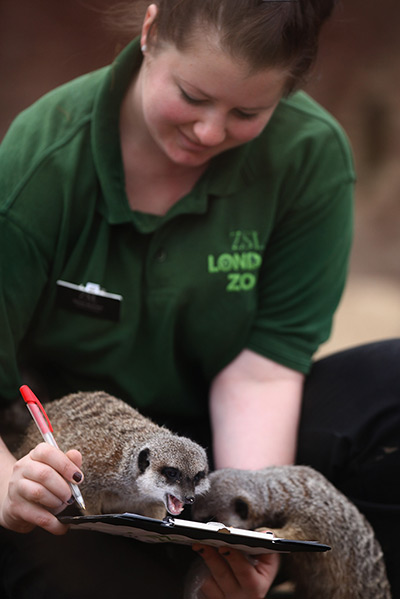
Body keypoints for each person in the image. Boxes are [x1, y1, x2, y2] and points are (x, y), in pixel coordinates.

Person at [1, 0, 399, 597]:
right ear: (151, 30)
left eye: (247, 111)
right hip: (63, 463)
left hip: (205, 447)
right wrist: (12, 487)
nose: (210, 132)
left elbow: (261, 376)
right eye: (191, 95)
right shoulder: (42, 162)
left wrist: (245, 528)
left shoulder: (308, 153)